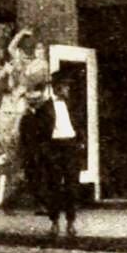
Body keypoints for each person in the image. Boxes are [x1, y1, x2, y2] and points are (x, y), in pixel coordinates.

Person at [3, 82, 53, 215]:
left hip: (33, 153)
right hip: (32, 153)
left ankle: (40, 206)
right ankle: (9, 203)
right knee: (30, 181)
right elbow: (28, 139)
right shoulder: (28, 118)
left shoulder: (31, 117)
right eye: (37, 102)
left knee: (34, 180)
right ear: (34, 104)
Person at [43, 71, 81, 238]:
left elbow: (79, 125)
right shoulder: (45, 107)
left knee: (72, 186)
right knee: (54, 186)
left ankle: (71, 222)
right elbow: (40, 132)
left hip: (70, 146)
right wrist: (46, 151)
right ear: (57, 87)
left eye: (68, 86)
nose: (68, 89)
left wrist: (81, 142)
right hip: (55, 147)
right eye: (65, 86)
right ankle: (54, 222)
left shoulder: (72, 105)